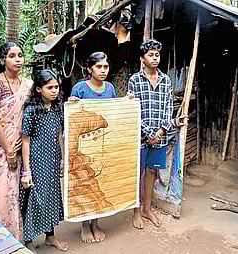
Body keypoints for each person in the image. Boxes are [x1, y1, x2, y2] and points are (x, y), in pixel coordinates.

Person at [128, 39, 185, 229]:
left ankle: (147, 208)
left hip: (159, 135)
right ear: (142, 59)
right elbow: (134, 109)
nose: (155, 58)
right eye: (151, 55)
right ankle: (136, 211)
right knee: (139, 173)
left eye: (157, 55)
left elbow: (169, 108)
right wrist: (149, 132)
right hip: (140, 135)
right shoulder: (135, 80)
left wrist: (160, 131)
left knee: (152, 171)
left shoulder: (165, 80)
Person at [0, 41, 32, 240]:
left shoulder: (27, 84)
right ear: (2, 59)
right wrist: (9, 150)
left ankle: (16, 238)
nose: (17, 59)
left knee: (18, 193)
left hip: (22, 145)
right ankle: (0, 240)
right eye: (12, 55)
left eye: (20, 55)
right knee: (2, 192)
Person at [68, 52, 116, 244]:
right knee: (82, 183)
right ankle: (84, 226)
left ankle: (95, 224)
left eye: (105, 67)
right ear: (90, 69)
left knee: (99, 182)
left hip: (100, 144)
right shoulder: (79, 88)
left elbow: (112, 114)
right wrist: (71, 103)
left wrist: (128, 103)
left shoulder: (110, 88)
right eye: (99, 67)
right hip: (82, 147)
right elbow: (73, 120)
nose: (103, 70)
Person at [20, 70, 68, 253]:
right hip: (36, 160)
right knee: (34, 198)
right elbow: (26, 140)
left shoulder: (58, 108)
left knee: (52, 197)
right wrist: (27, 171)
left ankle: (50, 237)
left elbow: (63, 134)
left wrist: (62, 159)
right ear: (39, 89)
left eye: (56, 87)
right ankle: (29, 242)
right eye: (50, 87)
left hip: (53, 159)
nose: (54, 91)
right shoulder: (32, 110)